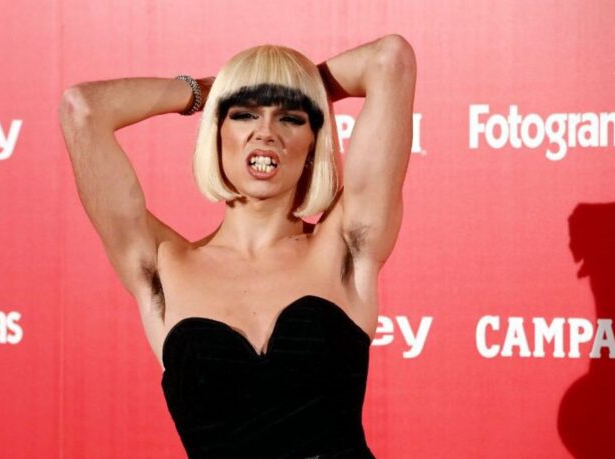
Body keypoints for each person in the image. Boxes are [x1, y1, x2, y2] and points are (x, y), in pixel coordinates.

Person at [59, 35, 416, 458]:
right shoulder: (162, 265)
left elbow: (389, 60)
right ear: (216, 132)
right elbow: (83, 109)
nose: (265, 132)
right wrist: (203, 93)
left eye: (291, 117)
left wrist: (296, 85)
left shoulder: (344, 246)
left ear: (312, 145)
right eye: (244, 113)